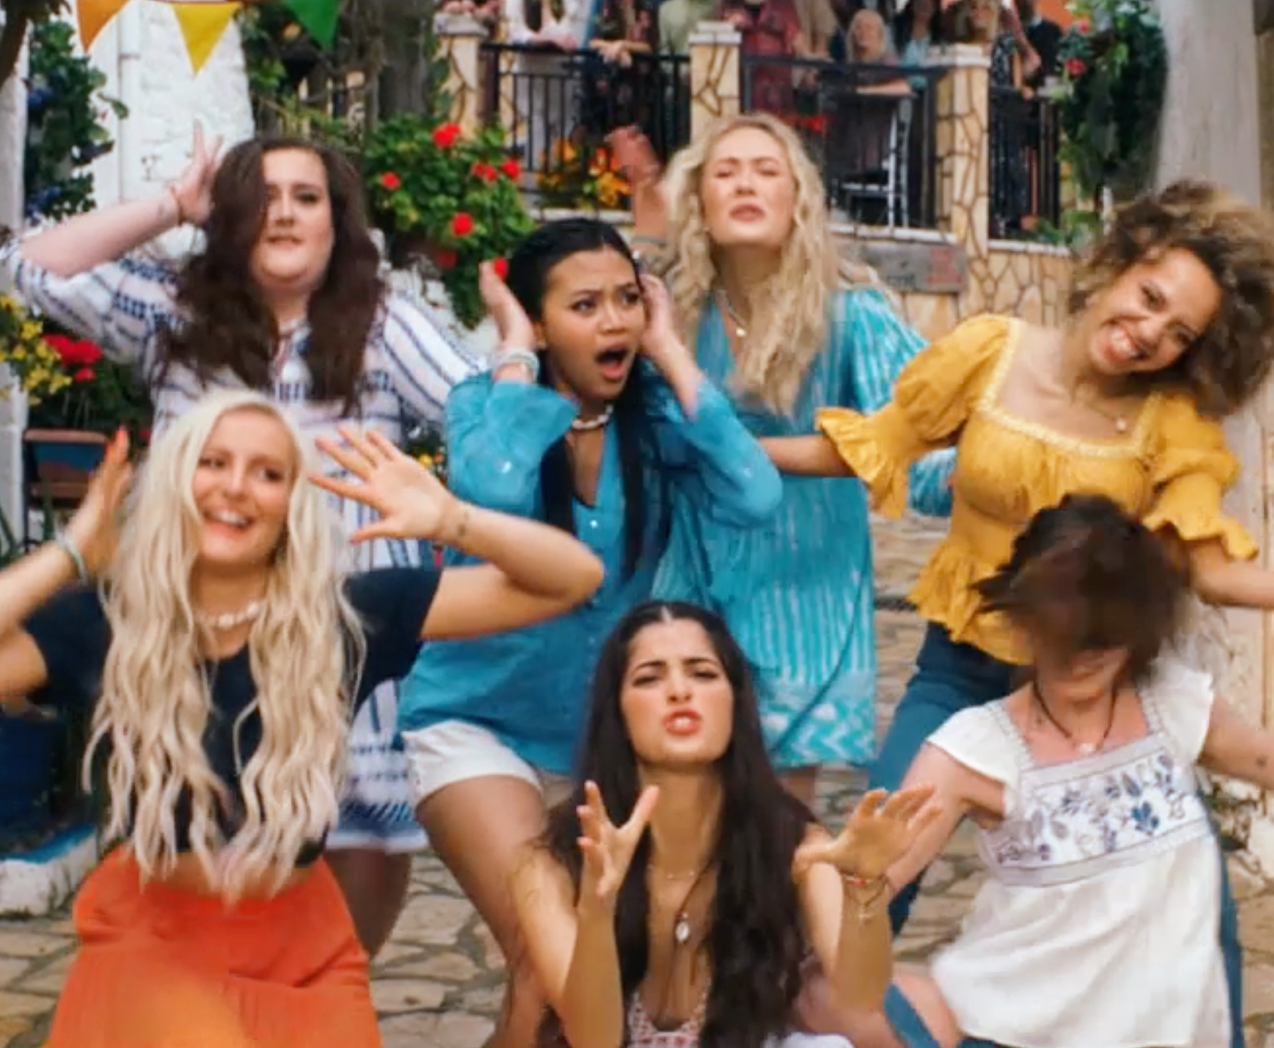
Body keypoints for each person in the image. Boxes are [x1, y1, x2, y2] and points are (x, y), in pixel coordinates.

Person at [760, 179, 1274, 1047]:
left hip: (1111, 690)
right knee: (874, 870)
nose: (1151, 332)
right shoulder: (990, 352)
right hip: (966, 663)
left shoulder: (1173, 424)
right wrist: (730, 450)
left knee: (1199, 912)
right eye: (1151, 297)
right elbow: (868, 445)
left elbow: (1215, 575)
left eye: (1180, 333)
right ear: (1121, 262)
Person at [0, 389, 607, 1047]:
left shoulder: (347, 617)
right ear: (177, 482)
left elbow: (571, 579)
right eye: (214, 462)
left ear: (293, 503)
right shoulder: (110, 622)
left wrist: (451, 518)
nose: (236, 487)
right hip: (154, 942)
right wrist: (71, 554)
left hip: (304, 947)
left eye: (267, 472)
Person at [7, 133, 478, 952]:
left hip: (347, 637)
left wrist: (448, 503)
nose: (284, 214)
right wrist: (169, 207)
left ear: (339, 222)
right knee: (190, 870)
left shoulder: (384, 325)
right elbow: (34, 268)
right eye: (261, 196)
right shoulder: (174, 310)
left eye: (306, 196)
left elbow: (485, 420)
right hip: (199, 636)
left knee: (341, 906)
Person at [859, 496, 1274, 1048]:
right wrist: (848, 879)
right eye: (1065, 634)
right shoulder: (974, 748)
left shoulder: (1169, 705)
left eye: (1106, 638)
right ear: (1026, 625)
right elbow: (854, 908)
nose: (1084, 657)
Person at [399, 219, 786, 1048]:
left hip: (596, 748)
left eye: (624, 301)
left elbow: (756, 495)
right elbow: (491, 491)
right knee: (547, 964)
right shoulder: (487, 403)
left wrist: (675, 355)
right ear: (540, 325)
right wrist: (512, 351)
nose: (613, 321)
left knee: (586, 971)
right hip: (475, 724)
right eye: (584, 305)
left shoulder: (655, 421)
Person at [633, 113, 956, 809]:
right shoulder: (671, 316)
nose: (745, 183)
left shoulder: (849, 314)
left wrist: (981, 478)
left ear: (797, 199)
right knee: (681, 811)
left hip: (804, 589)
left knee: (778, 826)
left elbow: (917, 441)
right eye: (726, 172)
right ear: (698, 204)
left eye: (766, 170)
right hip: (691, 573)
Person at [511, 601, 937, 1048]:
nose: (679, 690)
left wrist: (865, 886)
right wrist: (597, 909)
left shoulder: (791, 841)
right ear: (617, 712)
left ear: (736, 700)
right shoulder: (550, 861)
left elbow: (860, 995)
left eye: (703, 673)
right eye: (649, 678)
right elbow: (592, 1040)